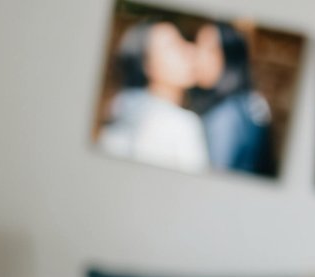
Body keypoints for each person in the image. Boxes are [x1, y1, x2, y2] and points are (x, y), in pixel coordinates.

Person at [98, 19, 209, 174]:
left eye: (184, 41)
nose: (190, 50)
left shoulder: (120, 109)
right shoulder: (182, 125)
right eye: (173, 46)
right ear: (147, 65)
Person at [190, 22, 273, 175]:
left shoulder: (226, 116)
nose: (197, 56)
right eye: (197, 44)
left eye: (210, 50)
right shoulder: (245, 103)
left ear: (230, 58)